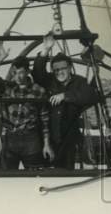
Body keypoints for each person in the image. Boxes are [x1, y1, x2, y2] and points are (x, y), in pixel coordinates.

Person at [32, 34, 101, 170]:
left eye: (63, 69)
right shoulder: (49, 80)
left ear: (70, 67)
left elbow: (90, 96)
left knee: (67, 172)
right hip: (48, 137)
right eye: (56, 70)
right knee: (46, 171)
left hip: (69, 138)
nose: (59, 73)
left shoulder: (79, 82)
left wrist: (65, 95)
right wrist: (45, 50)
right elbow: (37, 73)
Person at [0, 57, 50, 170]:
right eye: (14, 72)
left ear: (28, 72)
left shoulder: (39, 91)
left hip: (31, 140)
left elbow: (45, 120)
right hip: (10, 139)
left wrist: (46, 144)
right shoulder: (7, 88)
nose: (17, 76)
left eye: (21, 72)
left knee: (34, 177)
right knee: (7, 178)